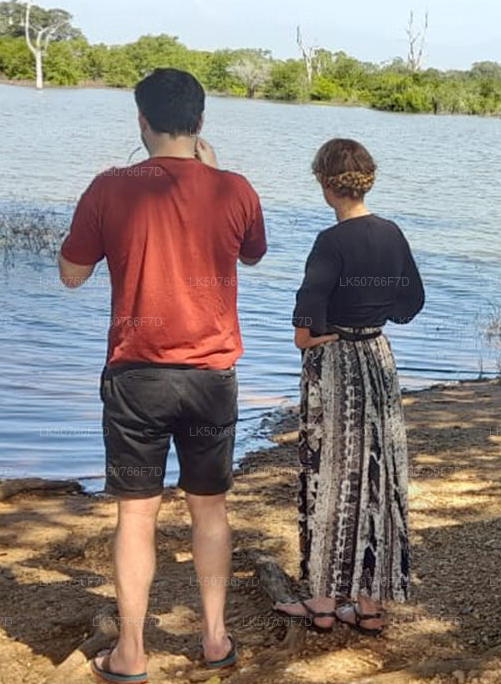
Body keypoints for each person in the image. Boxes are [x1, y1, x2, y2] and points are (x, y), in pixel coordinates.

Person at [58, 68, 266, 683]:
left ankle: (130, 653)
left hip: (136, 378)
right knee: (210, 511)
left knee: (136, 516)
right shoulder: (236, 189)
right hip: (209, 378)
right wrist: (217, 173)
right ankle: (214, 638)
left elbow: (71, 276)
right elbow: (251, 253)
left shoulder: (109, 187)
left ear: (141, 121)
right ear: (200, 124)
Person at [273, 138, 424, 635]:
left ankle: (320, 602)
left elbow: (303, 332)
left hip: (335, 366)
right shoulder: (393, 234)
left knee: (329, 476)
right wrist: (373, 316)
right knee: (378, 479)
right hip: (379, 362)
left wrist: (327, 332)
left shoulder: (329, 243)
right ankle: (371, 605)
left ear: (325, 184)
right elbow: (411, 303)